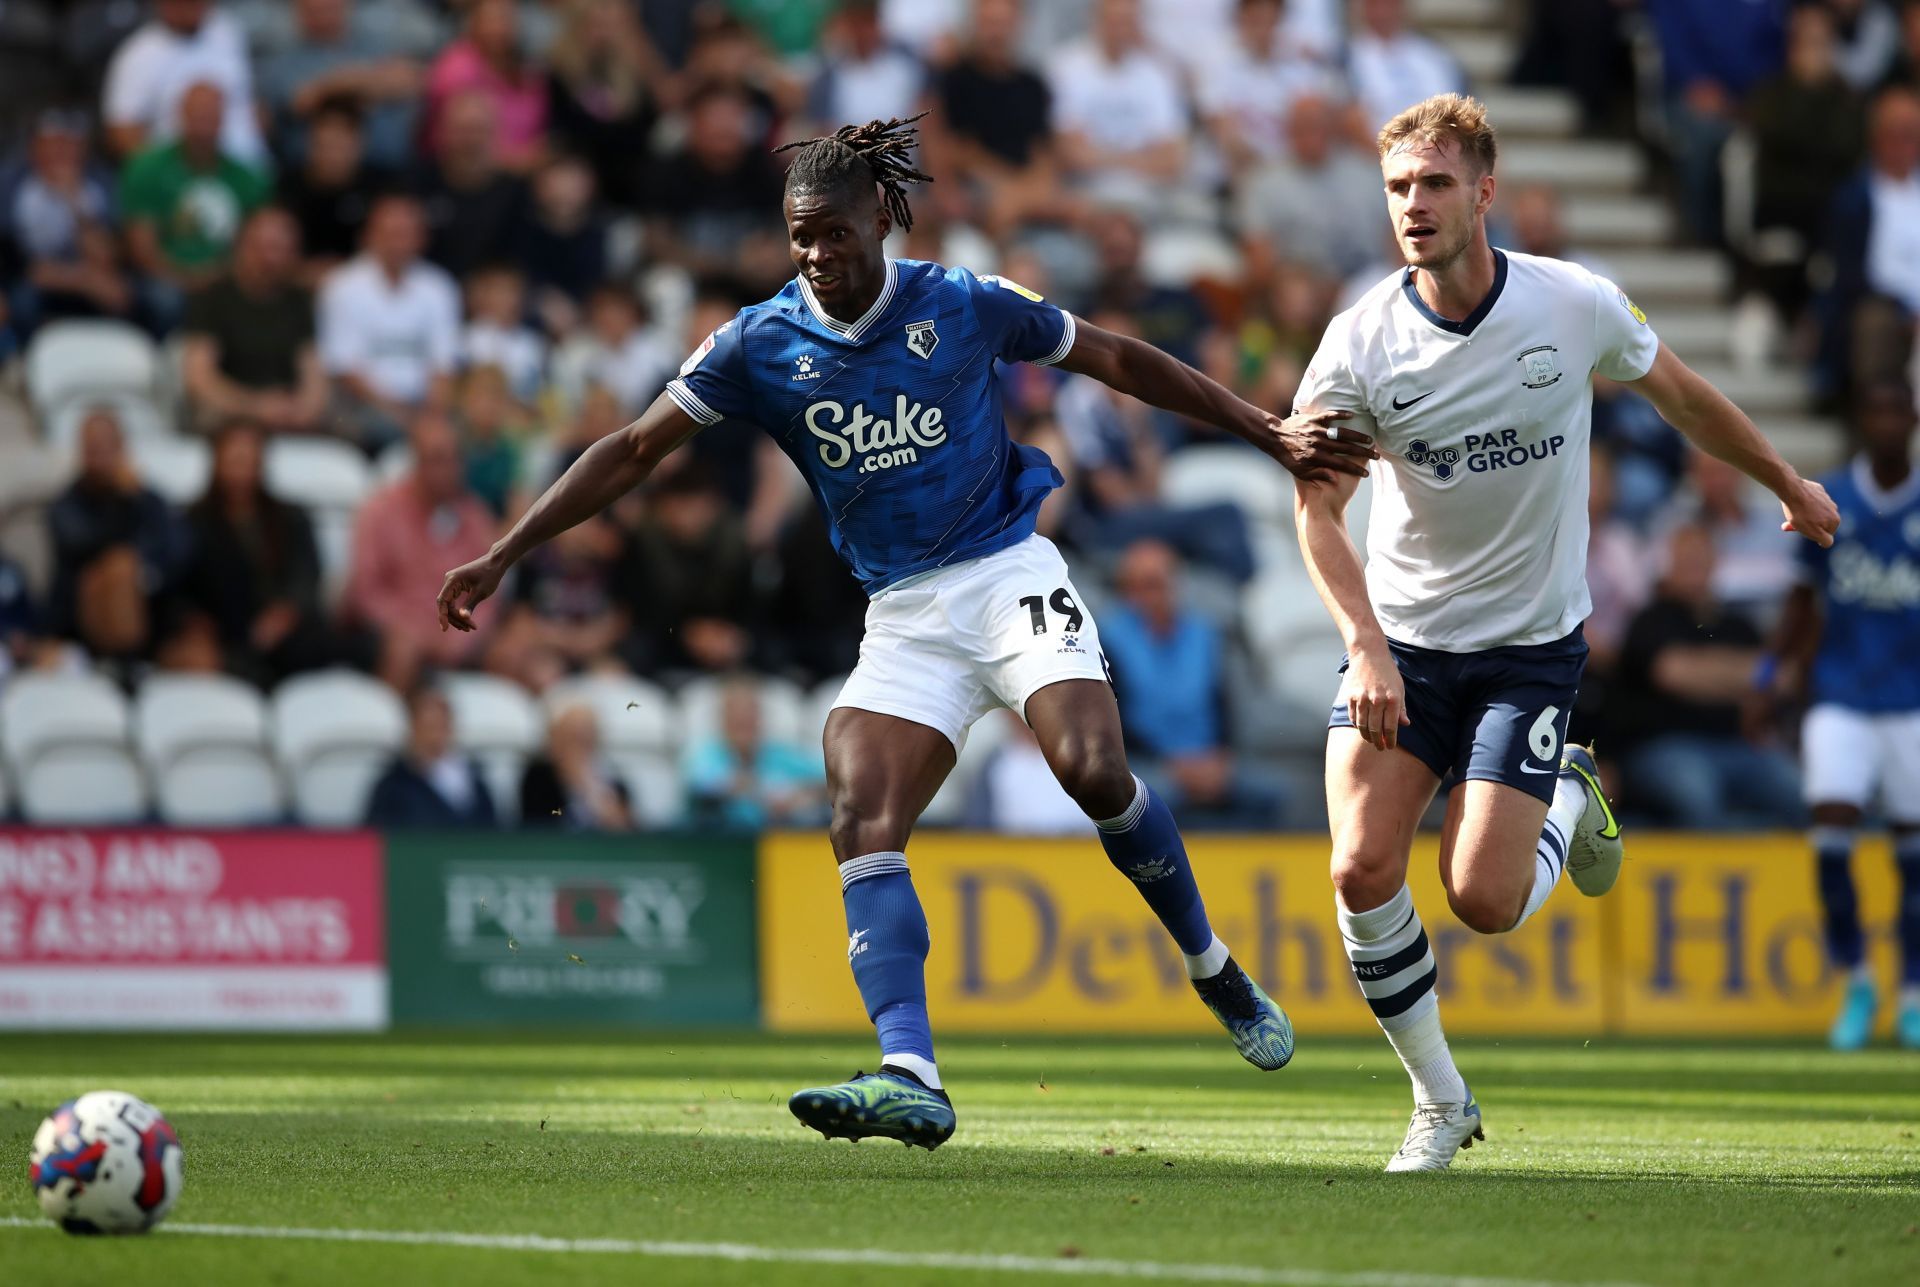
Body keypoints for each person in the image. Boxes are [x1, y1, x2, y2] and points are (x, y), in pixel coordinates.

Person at [437, 113, 1372, 1149]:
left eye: (834, 233)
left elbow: (1112, 356)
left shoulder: (960, 303)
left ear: (881, 216)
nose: (817, 255)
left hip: (1006, 569)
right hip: (904, 613)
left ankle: (1213, 969)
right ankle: (909, 1071)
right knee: (859, 808)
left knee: (1093, 768)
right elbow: (627, 450)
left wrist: (1266, 428)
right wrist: (503, 553)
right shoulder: (759, 340)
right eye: (800, 237)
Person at [1286, 93, 1838, 1170]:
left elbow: (1677, 392)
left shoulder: (1570, 303)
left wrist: (1785, 477)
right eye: (1399, 187)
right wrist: (1363, 645)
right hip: (1404, 645)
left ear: (1485, 191)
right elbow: (1316, 511)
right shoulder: (1358, 342)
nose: (1414, 204)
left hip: (1529, 651)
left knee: (1483, 901)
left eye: (1435, 183)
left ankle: (1571, 794)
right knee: (1359, 870)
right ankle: (1440, 1103)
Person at [1758, 379, 1920, 1050]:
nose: (1884, 421)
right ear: (1861, 421)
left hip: (1910, 702)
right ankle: (1856, 978)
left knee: (1913, 855)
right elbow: (1801, 603)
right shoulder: (1832, 497)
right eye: (1873, 410)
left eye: (1895, 409)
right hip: (1840, 695)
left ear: (1911, 418)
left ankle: (1910, 992)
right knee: (1832, 824)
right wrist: (1768, 678)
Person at [1614, 522, 1801, 827]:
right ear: (1667, 565)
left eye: (1701, 558)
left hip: (1740, 745)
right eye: (1685, 559)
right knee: (1695, 792)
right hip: (1665, 745)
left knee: (1794, 789)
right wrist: (1742, 675)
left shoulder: (1739, 625)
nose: (1694, 566)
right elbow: (1673, 673)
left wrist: (1705, 670)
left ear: (1716, 562)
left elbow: (1779, 677)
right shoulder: (1651, 619)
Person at [1100, 539, 1285, 828]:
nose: (1148, 594)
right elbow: (1115, 720)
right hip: (1146, 763)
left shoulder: (1206, 634)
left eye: (1156, 583)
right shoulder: (1109, 640)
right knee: (1155, 797)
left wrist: (1219, 758)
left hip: (1210, 758)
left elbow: (1225, 704)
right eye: (1138, 585)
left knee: (1270, 794)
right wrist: (1176, 766)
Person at [342, 414, 497, 689]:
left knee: (518, 648)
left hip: (453, 636)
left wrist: (460, 635)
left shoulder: (474, 517)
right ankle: (389, 728)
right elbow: (365, 592)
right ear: (417, 460)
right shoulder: (379, 511)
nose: (449, 469)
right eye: (438, 459)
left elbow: (487, 594)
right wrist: (417, 628)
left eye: (455, 458)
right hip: (387, 634)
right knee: (404, 648)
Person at [119, 81, 271, 331]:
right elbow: (142, 248)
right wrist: (187, 279)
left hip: (227, 279)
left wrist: (219, 276)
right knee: (164, 299)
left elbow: (253, 246)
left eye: (212, 114)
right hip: (165, 277)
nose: (205, 121)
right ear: (181, 115)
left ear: (224, 119)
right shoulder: (146, 169)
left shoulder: (248, 179)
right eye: (198, 113)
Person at [317, 194, 461, 450]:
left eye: (406, 234)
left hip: (423, 408)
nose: (398, 243)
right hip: (363, 406)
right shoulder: (341, 286)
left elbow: (443, 365)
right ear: (369, 235)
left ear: (421, 238)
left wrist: (432, 415)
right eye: (390, 233)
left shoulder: (439, 287)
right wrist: (402, 416)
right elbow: (344, 369)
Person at [46, 407, 188, 663]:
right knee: (120, 567)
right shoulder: (67, 503)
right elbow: (84, 543)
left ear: (122, 448)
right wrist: (124, 501)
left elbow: (179, 547)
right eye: (93, 447)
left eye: (107, 446)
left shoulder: (145, 497)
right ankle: (122, 661)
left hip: (151, 606)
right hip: (82, 616)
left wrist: (137, 497)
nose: (100, 456)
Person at [180, 208, 327, 434]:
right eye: (262, 248)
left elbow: (311, 368)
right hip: (232, 406)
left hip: (285, 407)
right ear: (240, 247)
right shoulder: (213, 297)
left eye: (281, 250)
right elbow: (199, 378)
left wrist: (304, 408)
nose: (270, 259)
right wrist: (255, 407)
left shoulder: (298, 300)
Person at [101, 0, 265, 165]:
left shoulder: (227, 30)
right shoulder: (138, 55)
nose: (194, 7)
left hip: (247, 168)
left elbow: (248, 100)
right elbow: (123, 134)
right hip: (180, 177)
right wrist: (163, 177)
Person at [683, 676, 828, 830]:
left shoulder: (779, 753)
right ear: (722, 718)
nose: (743, 720)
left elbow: (828, 777)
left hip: (777, 839)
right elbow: (699, 785)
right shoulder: (705, 753)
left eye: (750, 713)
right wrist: (758, 793)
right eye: (735, 714)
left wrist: (802, 795)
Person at [365, 685, 498, 827]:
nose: (436, 736)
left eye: (441, 725)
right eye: (429, 726)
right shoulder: (393, 787)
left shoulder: (474, 779)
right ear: (412, 728)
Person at [519, 703, 632, 831]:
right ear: (555, 738)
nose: (579, 745)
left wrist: (593, 792)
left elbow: (626, 828)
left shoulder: (614, 781)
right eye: (572, 736)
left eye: (586, 736)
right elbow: (540, 823)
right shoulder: (538, 779)